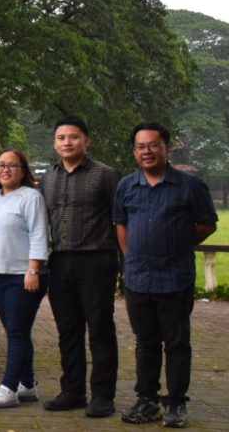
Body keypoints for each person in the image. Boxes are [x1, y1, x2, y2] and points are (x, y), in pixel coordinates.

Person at [114, 122, 218, 429]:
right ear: (134, 151)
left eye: (153, 145)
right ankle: (147, 400)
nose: (147, 151)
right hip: (138, 279)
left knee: (176, 343)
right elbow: (120, 223)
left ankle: (176, 404)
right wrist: (130, 258)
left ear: (166, 148)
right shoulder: (126, 186)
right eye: (140, 146)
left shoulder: (189, 186)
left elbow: (208, 223)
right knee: (145, 343)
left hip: (175, 277)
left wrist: (178, 242)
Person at [40, 115, 121, 417]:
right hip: (60, 261)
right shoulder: (49, 178)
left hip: (96, 260)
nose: (67, 143)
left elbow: (120, 219)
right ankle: (72, 391)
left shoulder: (105, 175)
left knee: (100, 329)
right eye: (61, 138)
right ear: (55, 143)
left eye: (73, 137)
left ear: (87, 141)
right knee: (67, 330)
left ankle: (103, 395)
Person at [0, 148, 49, 408]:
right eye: (1, 165)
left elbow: (38, 234)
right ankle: (28, 385)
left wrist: (33, 270)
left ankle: (9, 388)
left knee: (17, 332)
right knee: (15, 331)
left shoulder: (30, 197)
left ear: (23, 170)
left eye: (12, 165)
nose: (6, 170)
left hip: (24, 276)